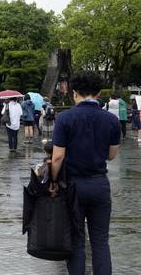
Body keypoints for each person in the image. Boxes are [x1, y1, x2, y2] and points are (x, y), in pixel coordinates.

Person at [49, 71, 120, 275]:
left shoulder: (65, 118)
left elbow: (57, 157)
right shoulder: (111, 120)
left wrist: (53, 181)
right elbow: (111, 155)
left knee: (77, 240)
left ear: (74, 93)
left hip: (73, 186)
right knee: (100, 241)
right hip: (99, 184)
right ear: (98, 93)